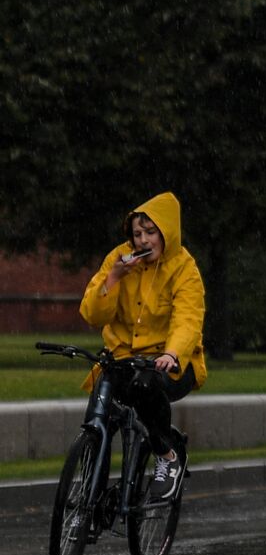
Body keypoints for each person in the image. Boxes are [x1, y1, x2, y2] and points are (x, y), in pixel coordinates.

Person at [78, 192, 207, 502]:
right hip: (122, 359)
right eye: (137, 233)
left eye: (151, 233)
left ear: (166, 234)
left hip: (171, 363)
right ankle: (87, 492)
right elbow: (93, 315)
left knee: (145, 385)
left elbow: (188, 319)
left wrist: (171, 353)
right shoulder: (118, 260)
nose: (143, 240)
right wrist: (112, 279)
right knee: (100, 406)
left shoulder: (183, 268)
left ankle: (167, 456)